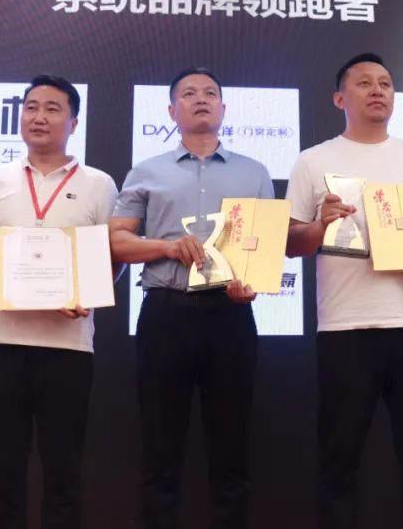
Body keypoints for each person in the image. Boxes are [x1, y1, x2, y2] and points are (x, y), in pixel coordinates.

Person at [285, 53, 403, 529]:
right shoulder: (314, 160)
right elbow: (291, 243)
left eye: (385, 83)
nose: (377, 90)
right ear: (339, 98)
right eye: (364, 83)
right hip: (346, 328)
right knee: (339, 460)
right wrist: (321, 224)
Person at [109, 67, 273, 529]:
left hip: (230, 317)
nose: (201, 99)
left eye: (210, 93)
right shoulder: (147, 171)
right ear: (171, 110)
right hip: (166, 315)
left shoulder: (254, 172)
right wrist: (165, 247)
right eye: (188, 93)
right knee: (160, 451)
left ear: (223, 108)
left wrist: (250, 282)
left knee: (232, 451)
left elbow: (264, 245)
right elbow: (117, 242)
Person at [0, 75, 118, 528]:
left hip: (69, 347)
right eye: (31, 107)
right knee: (3, 471)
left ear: (74, 122)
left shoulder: (100, 184)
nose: (38, 116)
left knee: (63, 471)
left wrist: (87, 293)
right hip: (0, 344)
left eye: (52, 108)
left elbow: (110, 257)